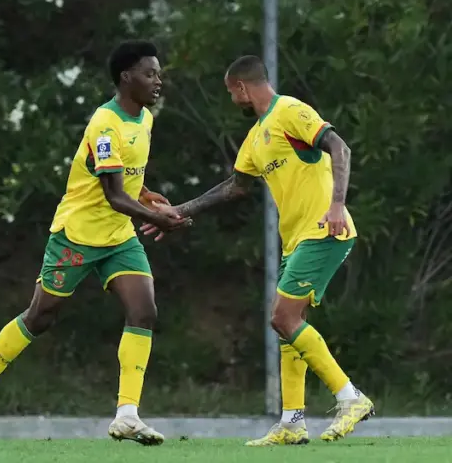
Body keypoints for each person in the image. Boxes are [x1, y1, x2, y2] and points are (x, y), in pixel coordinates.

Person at [0, 41, 190, 447]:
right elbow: (113, 194)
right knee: (41, 317)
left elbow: (127, 181)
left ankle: (127, 414)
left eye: (158, 73)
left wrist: (148, 197)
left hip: (118, 236)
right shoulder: (104, 125)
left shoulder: (145, 119)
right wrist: (158, 219)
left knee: (144, 311)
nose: (158, 81)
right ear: (126, 77)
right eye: (149, 73)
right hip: (77, 235)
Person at [142, 55, 372, 445]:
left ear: (241, 88)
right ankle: (292, 423)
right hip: (296, 239)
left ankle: (350, 398)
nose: (233, 100)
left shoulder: (291, 111)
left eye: (231, 92)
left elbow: (340, 148)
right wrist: (179, 211)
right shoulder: (255, 138)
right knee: (289, 326)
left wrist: (336, 205)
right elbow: (235, 187)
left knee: (282, 318)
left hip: (325, 230)